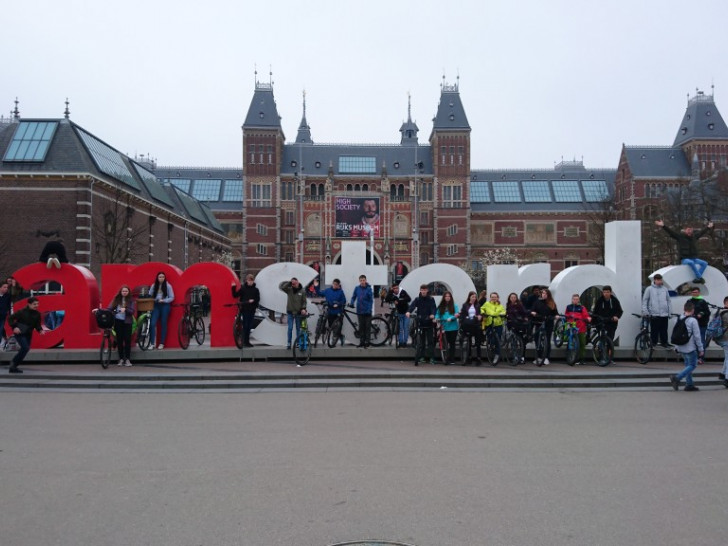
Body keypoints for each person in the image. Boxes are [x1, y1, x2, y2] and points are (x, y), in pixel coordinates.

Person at [95, 285, 135, 366]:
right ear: (120, 292)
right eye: (123, 291)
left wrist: (126, 309)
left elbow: (132, 311)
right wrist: (98, 310)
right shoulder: (116, 299)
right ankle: (120, 359)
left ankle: (127, 359)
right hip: (118, 322)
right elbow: (109, 309)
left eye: (126, 291)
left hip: (127, 322)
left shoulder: (131, 300)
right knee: (119, 340)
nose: (124, 292)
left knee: (127, 340)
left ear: (128, 292)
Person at [669, 300, 704, 392]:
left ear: (684, 309)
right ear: (692, 310)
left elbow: (676, 333)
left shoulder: (678, 318)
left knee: (687, 365)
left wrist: (676, 347)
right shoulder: (693, 320)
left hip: (681, 347)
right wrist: (701, 349)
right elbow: (697, 336)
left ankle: (689, 385)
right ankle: (677, 378)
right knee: (693, 365)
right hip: (690, 347)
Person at [7, 297, 44, 373]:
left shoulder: (37, 314)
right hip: (19, 332)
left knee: (25, 349)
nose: (36, 306)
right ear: (29, 304)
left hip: (28, 333)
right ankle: (13, 364)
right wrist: (14, 327)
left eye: (37, 304)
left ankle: (13, 366)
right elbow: (10, 318)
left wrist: (40, 330)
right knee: (25, 348)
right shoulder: (22, 312)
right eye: (34, 304)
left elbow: (37, 324)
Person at [407, 284, 437, 365]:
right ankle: (422, 357)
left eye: (425, 290)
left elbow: (433, 308)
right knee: (421, 341)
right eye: (422, 290)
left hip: (429, 322)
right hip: (420, 322)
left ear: (427, 291)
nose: (423, 291)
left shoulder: (431, 299)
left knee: (430, 341)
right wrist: (409, 312)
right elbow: (412, 306)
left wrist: (433, 314)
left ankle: (432, 358)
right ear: (420, 290)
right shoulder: (417, 299)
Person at [641, 273, 672, 348]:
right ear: (654, 280)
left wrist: (669, 312)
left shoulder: (664, 289)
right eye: (658, 280)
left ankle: (664, 342)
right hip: (654, 313)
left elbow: (668, 301)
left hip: (664, 313)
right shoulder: (649, 289)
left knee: (664, 329)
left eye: (660, 280)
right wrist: (646, 312)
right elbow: (645, 300)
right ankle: (653, 343)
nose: (660, 281)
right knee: (654, 330)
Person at [530, 288, 558, 365]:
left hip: (548, 323)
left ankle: (546, 357)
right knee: (537, 340)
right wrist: (533, 313)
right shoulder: (537, 302)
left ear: (548, 295)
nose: (544, 295)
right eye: (543, 293)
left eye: (545, 293)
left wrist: (556, 316)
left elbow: (555, 313)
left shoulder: (552, 303)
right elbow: (533, 310)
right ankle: (538, 356)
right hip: (539, 322)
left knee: (547, 340)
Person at [315, 278, 347, 346]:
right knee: (331, 327)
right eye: (334, 284)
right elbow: (319, 293)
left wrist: (338, 304)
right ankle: (339, 336)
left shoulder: (340, 292)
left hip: (338, 312)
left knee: (338, 327)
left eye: (336, 284)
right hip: (330, 312)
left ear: (338, 285)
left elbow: (344, 301)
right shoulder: (328, 291)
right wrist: (316, 286)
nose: (335, 285)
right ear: (332, 284)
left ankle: (335, 339)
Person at [232, 274, 260, 348]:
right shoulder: (243, 289)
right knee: (245, 326)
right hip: (245, 310)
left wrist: (253, 301)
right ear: (247, 281)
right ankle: (244, 341)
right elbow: (235, 295)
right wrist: (233, 287)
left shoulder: (256, 290)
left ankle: (247, 342)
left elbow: (257, 299)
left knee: (249, 326)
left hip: (252, 310)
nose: (250, 282)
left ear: (253, 281)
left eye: (251, 280)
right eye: (249, 280)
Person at [280, 277, 308, 350]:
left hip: (298, 313)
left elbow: (304, 301)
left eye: (295, 283)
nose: (294, 284)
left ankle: (298, 343)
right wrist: (289, 283)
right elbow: (283, 288)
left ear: (298, 282)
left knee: (298, 328)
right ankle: (289, 343)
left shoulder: (302, 291)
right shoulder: (289, 290)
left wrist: (303, 309)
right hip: (290, 312)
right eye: (293, 283)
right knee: (290, 328)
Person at [149, 271, 175, 349]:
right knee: (152, 323)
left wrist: (164, 300)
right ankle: (152, 343)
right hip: (156, 305)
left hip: (165, 305)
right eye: (160, 277)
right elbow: (150, 295)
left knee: (163, 323)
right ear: (157, 278)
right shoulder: (154, 285)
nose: (161, 278)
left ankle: (162, 343)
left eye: (162, 277)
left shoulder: (168, 286)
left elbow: (172, 297)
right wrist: (154, 299)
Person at [565, 293, 591, 365]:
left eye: (577, 299)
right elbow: (566, 314)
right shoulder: (568, 307)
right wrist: (568, 317)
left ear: (579, 300)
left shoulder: (582, 307)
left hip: (580, 327)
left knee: (582, 343)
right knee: (571, 342)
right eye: (574, 299)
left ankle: (581, 358)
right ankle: (572, 357)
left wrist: (588, 318)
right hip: (571, 326)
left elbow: (586, 315)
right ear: (572, 300)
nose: (575, 300)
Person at [435, 291, 459, 365]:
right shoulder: (441, 306)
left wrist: (451, 318)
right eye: (446, 296)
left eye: (449, 296)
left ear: (451, 297)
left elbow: (456, 314)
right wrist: (436, 318)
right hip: (444, 326)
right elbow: (437, 314)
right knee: (445, 343)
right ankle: (446, 357)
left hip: (453, 327)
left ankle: (452, 359)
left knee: (452, 343)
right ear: (444, 297)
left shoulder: (454, 305)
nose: (447, 297)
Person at [481, 292, 505, 365]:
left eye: (495, 297)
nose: (494, 298)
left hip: (498, 324)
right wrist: (483, 313)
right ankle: (491, 346)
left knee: (497, 340)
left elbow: (503, 311)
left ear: (497, 298)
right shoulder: (487, 304)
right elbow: (482, 309)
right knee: (490, 338)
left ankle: (497, 355)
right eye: (492, 297)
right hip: (489, 323)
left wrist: (502, 314)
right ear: (490, 298)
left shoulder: (500, 306)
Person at [460, 291, 483, 365]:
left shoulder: (478, 305)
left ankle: (478, 358)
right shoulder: (465, 305)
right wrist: (464, 321)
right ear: (469, 297)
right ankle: (469, 357)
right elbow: (462, 315)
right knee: (468, 341)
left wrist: (479, 317)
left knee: (478, 342)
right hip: (468, 325)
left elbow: (479, 314)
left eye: (475, 297)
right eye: (472, 296)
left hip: (476, 325)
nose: (474, 298)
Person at [350, 275, 374, 347]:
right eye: (361, 280)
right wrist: (351, 303)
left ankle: (367, 342)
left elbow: (371, 300)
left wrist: (369, 309)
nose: (362, 282)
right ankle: (362, 342)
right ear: (359, 281)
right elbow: (353, 297)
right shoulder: (357, 288)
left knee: (367, 327)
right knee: (361, 327)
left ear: (366, 280)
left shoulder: (369, 289)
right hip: (360, 311)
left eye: (364, 280)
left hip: (367, 311)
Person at [506, 292, 529, 364]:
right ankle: (515, 357)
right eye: (511, 297)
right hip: (512, 325)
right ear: (509, 298)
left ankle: (522, 357)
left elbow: (524, 313)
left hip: (519, 325)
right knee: (513, 342)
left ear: (516, 298)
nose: (513, 299)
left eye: (514, 297)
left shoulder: (520, 305)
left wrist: (525, 318)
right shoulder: (508, 305)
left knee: (522, 342)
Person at [714, 296, 728, 388]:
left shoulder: (720, 311)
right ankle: (727, 379)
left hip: (720, 338)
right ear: (725, 303)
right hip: (726, 338)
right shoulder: (726, 314)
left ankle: (722, 374)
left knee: (727, 357)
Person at [0, 282, 10, 349]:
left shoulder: (8, 296)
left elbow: (8, 306)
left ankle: (2, 345)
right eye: (4, 287)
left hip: (2, 317)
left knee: (0, 330)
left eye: (7, 287)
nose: (6, 289)